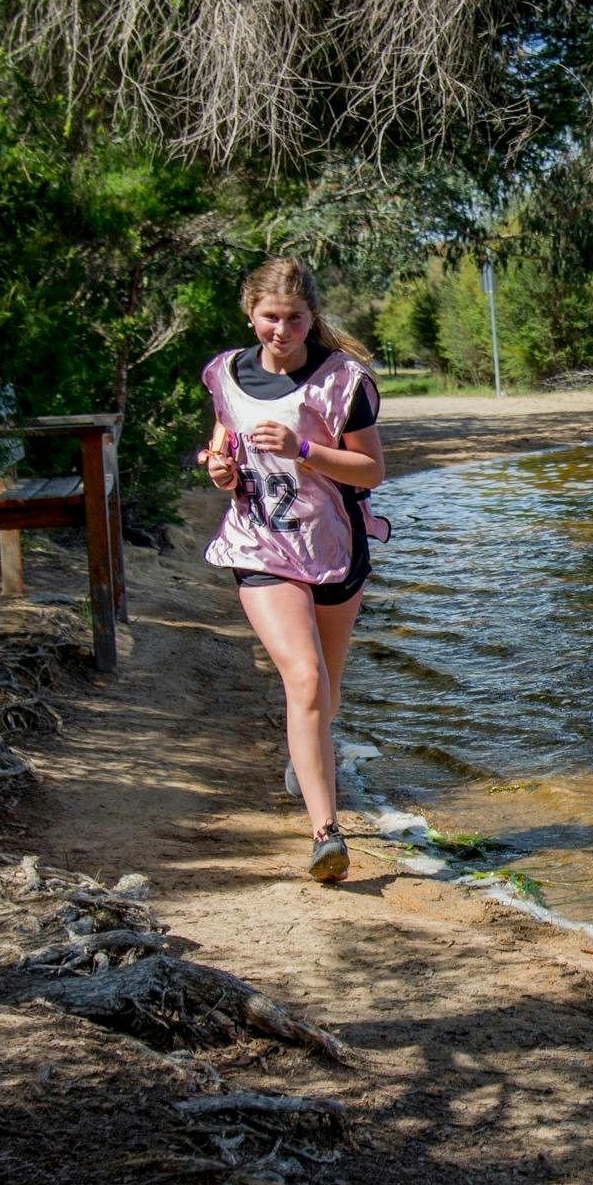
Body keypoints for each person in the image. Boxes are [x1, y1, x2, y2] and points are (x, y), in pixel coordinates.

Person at [200, 256, 386, 883]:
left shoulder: (345, 382)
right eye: (270, 318)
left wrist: (305, 450)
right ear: (250, 314)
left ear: (313, 317)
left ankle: (305, 765)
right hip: (260, 544)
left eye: (296, 319)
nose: (282, 331)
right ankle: (326, 833)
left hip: (333, 546)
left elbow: (371, 471)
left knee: (324, 694)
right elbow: (225, 436)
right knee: (304, 679)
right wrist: (219, 467)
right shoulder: (225, 372)